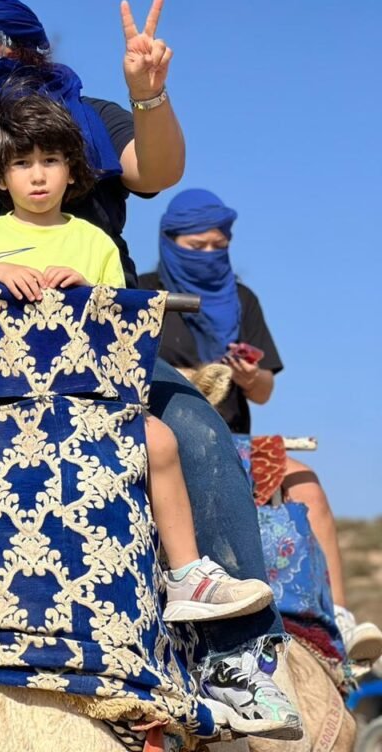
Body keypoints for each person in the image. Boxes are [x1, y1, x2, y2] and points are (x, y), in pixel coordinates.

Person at [0, 0, 301, 736]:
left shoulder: (89, 122)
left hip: (92, 346)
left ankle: (234, 658)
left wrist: (149, 94)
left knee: (197, 438)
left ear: (30, 50)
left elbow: (155, 169)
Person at [0, 89, 274, 627]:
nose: (37, 176)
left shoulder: (96, 243)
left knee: (163, 442)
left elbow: (122, 334)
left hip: (79, 398)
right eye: (22, 163)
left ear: (72, 173)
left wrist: (86, 291)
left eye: (50, 161)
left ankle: (186, 572)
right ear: (0, 176)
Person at [139, 187, 382, 664]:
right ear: (171, 241)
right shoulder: (145, 293)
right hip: (164, 435)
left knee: (305, 484)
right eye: (196, 246)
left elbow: (266, 389)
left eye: (217, 245)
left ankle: (339, 617)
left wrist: (250, 377)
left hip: (233, 439)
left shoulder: (240, 299)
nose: (209, 255)